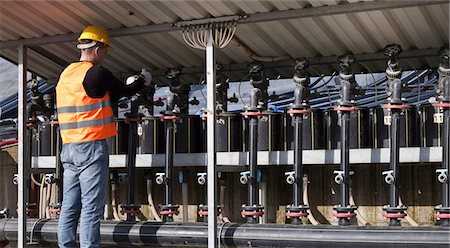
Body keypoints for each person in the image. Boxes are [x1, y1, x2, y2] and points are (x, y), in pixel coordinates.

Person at [56, 25, 152, 248]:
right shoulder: (97, 72)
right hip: (91, 147)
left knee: (69, 206)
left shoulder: (66, 74)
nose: (105, 55)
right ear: (98, 49)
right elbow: (123, 91)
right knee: (91, 206)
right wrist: (141, 80)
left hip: (69, 147)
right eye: (106, 51)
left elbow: (95, 102)